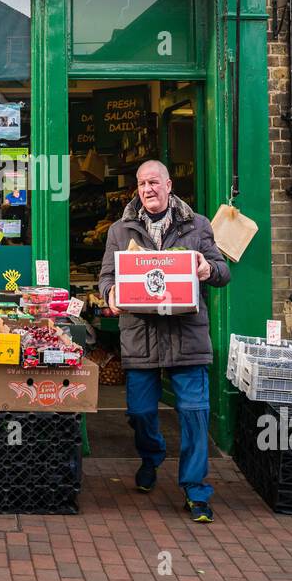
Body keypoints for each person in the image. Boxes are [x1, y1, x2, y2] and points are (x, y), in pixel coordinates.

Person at [98, 160, 230, 523]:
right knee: (140, 412)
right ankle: (151, 455)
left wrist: (207, 269)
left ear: (169, 185)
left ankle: (196, 490)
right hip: (140, 337)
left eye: (154, 182)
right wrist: (110, 295)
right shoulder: (120, 230)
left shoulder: (197, 225)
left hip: (187, 337)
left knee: (194, 414)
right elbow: (107, 277)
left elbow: (222, 272)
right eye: (142, 184)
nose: (147, 189)